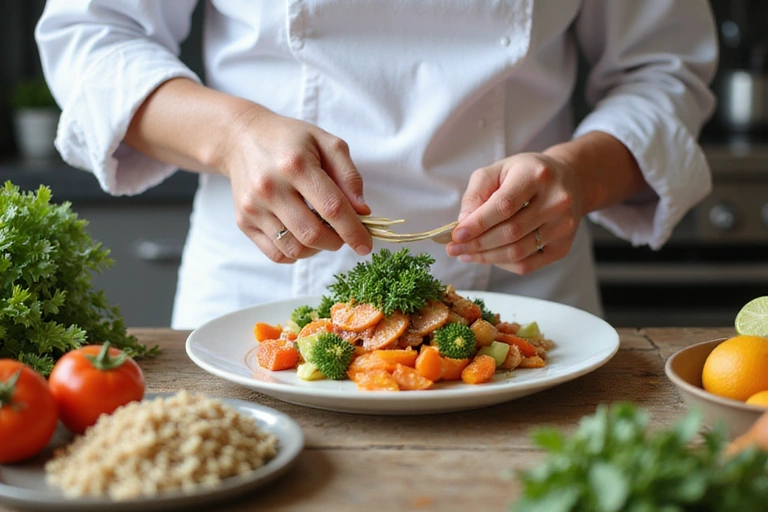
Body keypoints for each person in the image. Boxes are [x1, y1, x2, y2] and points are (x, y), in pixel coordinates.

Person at [35, 1, 718, 330]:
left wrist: (578, 173)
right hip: (259, 298)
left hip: (527, 306)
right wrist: (234, 136)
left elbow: (664, 70)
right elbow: (91, 34)